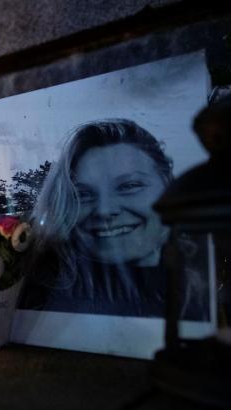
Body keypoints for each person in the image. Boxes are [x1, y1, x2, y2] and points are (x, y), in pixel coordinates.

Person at [18, 119, 205, 318]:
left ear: (166, 184)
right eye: (83, 194)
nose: (104, 210)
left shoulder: (206, 279)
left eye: (129, 186)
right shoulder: (41, 292)